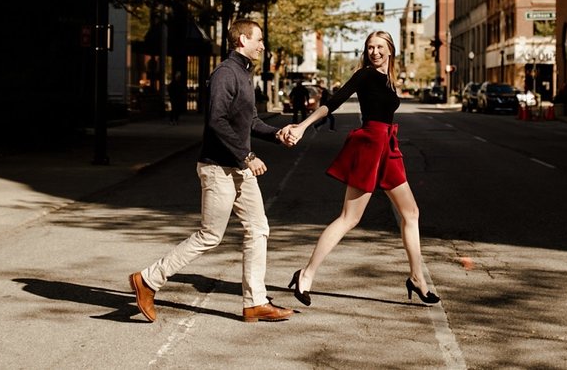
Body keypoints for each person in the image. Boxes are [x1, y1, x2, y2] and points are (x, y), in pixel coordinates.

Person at [128, 19, 298, 324]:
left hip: (237, 168)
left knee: (258, 229)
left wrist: (277, 134)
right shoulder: (225, 73)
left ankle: (255, 302)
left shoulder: (244, 73)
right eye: (259, 39)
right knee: (209, 235)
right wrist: (247, 155)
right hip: (219, 167)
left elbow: (250, 121)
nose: (262, 45)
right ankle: (148, 279)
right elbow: (216, 121)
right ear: (243, 39)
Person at [282, 30, 440, 308]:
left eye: (379, 47)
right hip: (369, 146)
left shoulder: (390, 80)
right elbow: (331, 104)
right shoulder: (365, 75)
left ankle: (417, 277)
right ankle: (305, 274)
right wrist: (303, 126)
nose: (374, 52)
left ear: (391, 50)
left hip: (387, 148)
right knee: (349, 218)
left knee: (411, 213)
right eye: (370, 47)